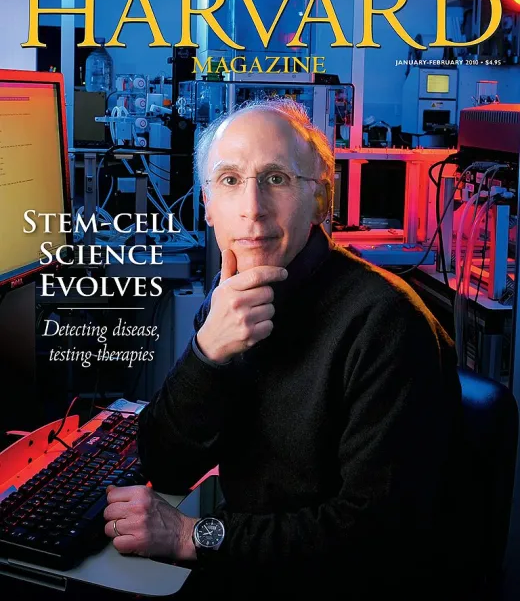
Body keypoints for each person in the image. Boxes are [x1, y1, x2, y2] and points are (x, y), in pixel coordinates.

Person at [103, 98, 462, 599]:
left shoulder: (387, 323)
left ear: (321, 199)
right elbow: (165, 466)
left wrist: (191, 536)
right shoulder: (230, 299)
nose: (252, 208)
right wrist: (208, 353)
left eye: (276, 178)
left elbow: (374, 537)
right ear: (208, 206)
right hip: (251, 567)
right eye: (230, 180)